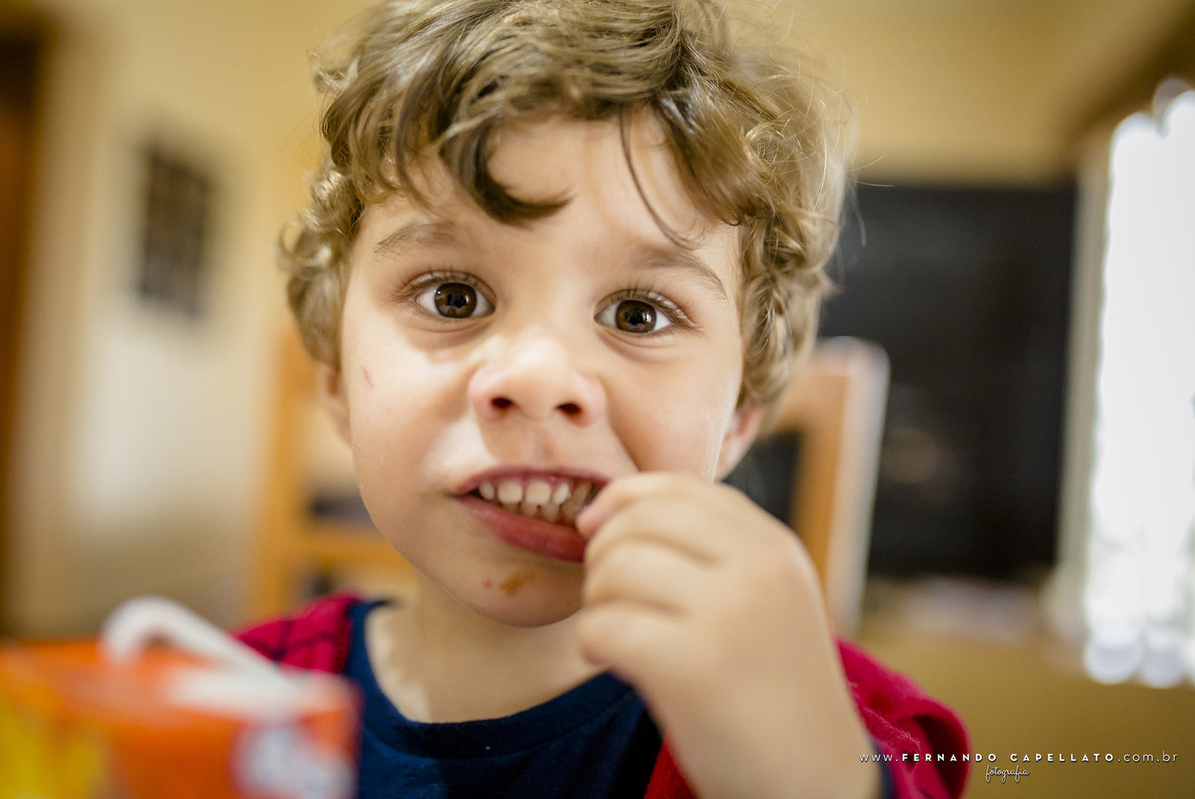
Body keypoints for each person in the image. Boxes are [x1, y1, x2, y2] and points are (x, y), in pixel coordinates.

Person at [238, 1, 969, 797]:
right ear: (337, 376)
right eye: (453, 296)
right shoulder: (235, 695)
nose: (540, 378)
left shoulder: (815, 729)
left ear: (740, 414)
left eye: (637, 314)